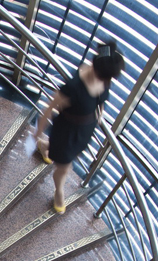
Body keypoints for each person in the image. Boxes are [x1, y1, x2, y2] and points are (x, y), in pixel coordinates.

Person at [34, 41, 125, 214]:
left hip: (84, 130)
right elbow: (50, 107)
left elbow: (101, 99)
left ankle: (44, 146)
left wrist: (100, 115)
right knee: (64, 167)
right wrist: (38, 130)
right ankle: (59, 192)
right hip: (67, 132)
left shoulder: (103, 78)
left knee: (64, 157)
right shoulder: (74, 87)